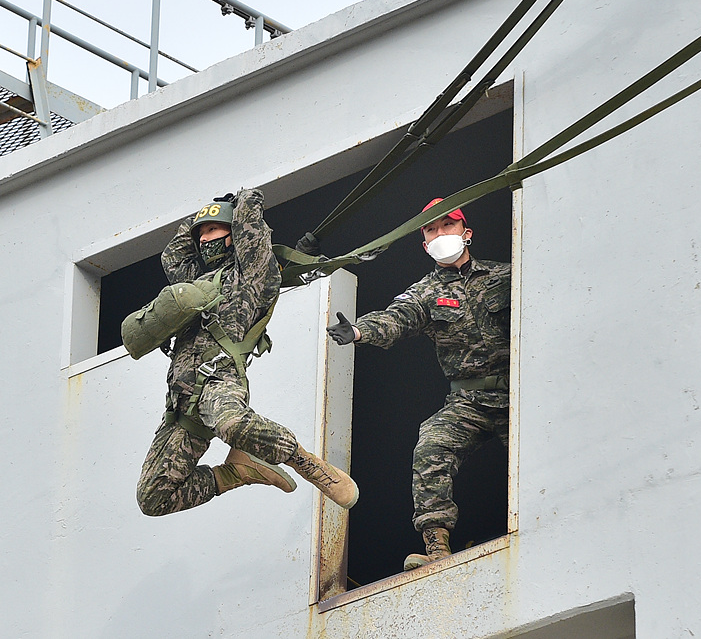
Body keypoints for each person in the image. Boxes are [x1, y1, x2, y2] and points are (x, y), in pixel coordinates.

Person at [136, 188, 359, 517]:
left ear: (232, 233)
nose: (205, 239)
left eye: (214, 230)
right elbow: (172, 254)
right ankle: (237, 471)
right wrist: (204, 214)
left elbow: (251, 229)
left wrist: (240, 202)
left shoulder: (251, 274)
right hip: (180, 405)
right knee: (152, 498)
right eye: (201, 235)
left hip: (217, 380)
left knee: (233, 424)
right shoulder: (195, 280)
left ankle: (303, 461)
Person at [326, 198, 510, 570]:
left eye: (447, 225)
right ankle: (437, 548)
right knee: (431, 446)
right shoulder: (425, 292)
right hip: (468, 398)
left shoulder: (507, 274)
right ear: (424, 244)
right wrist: (360, 330)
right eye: (431, 230)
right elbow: (397, 318)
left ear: (466, 233)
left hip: (519, 392)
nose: (440, 234)